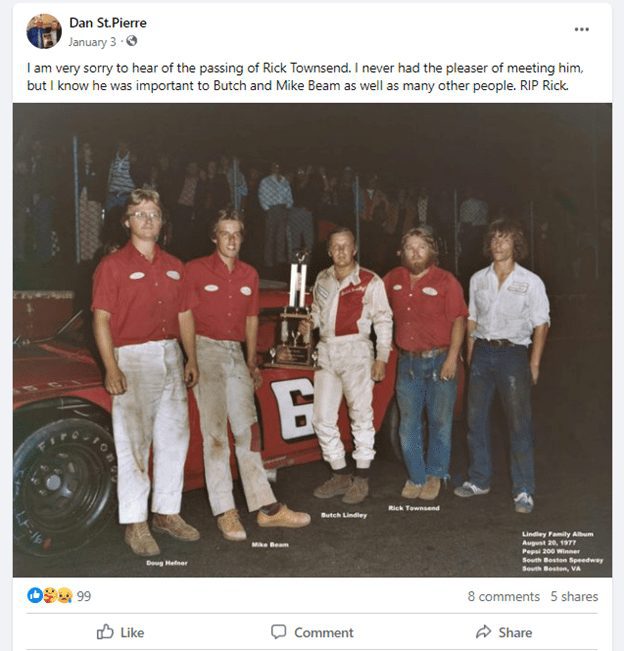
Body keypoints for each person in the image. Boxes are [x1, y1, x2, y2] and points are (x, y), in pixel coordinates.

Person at [184, 210, 311, 541]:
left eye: (236, 233)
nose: (231, 239)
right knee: (215, 436)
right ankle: (226, 511)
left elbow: (252, 319)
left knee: (247, 433)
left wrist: (251, 362)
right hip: (205, 349)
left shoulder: (249, 274)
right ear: (214, 237)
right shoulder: (195, 269)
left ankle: (266, 509)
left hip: (235, 354)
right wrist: (191, 358)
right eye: (224, 233)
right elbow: (183, 315)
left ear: (242, 237)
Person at [92, 188, 201, 557]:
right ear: (126, 221)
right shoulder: (112, 266)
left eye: (153, 213)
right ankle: (135, 523)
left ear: (162, 220)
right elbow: (101, 320)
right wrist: (111, 367)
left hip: (171, 355)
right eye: (140, 213)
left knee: (174, 439)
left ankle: (167, 513)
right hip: (134, 358)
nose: (148, 219)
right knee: (134, 444)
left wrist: (192, 358)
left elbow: (186, 314)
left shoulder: (175, 265)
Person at [454, 219, 550, 514]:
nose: (498, 244)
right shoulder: (477, 279)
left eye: (504, 239)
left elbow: (541, 323)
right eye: (494, 239)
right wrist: (471, 355)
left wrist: (534, 363)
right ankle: (479, 479)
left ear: (515, 244)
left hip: (513, 355)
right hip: (482, 351)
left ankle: (524, 489)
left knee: (518, 424)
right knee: (475, 421)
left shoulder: (531, 281)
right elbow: (471, 318)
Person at [303, 227, 393, 504]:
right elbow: (318, 312)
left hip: (356, 349)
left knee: (360, 415)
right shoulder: (322, 278)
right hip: (327, 350)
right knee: (322, 417)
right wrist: (309, 324)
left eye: (346, 246)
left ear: (354, 249)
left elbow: (383, 320)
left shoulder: (370, 280)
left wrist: (382, 357)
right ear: (329, 251)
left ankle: (361, 478)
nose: (341, 251)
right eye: (336, 246)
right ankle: (340, 473)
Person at [384, 228, 467, 500]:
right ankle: (416, 476)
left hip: (440, 360)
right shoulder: (392, 279)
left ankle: (436, 474)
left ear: (432, 251)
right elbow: (370, 304)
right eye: (410, 247)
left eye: (422, 247)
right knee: (407, 425)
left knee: (440, 422)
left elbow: (459, 320)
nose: (416, 252)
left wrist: (452, 358)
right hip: (407, 363)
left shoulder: (446, 281)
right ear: (401, 251)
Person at [258, 162, 293, 271]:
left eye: (278, 166)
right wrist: (267, 209)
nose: (276, 168)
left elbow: (289, 195)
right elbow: (261, 195)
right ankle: (268, 260)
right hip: (272, 209)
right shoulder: (265, 181)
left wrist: (288, 206)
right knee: (270, 235)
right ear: (271, 168)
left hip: (283, 208)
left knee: (281, 235)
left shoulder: (284, 181)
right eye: (274, 166)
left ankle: (280, 259)